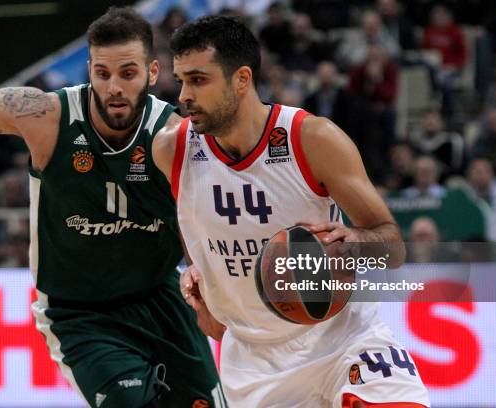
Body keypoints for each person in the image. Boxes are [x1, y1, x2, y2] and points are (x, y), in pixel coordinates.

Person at [0, 7, 222, 408]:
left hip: (159, 297)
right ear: (89, 70)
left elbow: (200, 223)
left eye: (127, 73)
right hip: (79, 314)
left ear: (152, 72)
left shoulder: (175, 134)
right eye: (102, 74)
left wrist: (207, 285)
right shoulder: (47, 117)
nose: (114, 87)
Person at [152, 15, 430, 407]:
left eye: (198, 80)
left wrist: (353, 244)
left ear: (242, 79)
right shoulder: (171, 149)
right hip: (254, 361)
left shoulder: (312, 139)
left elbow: (392, 246)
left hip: (344, 337)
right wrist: (199, 271)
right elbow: (188, 218)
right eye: (180, 79)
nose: (183, 95)